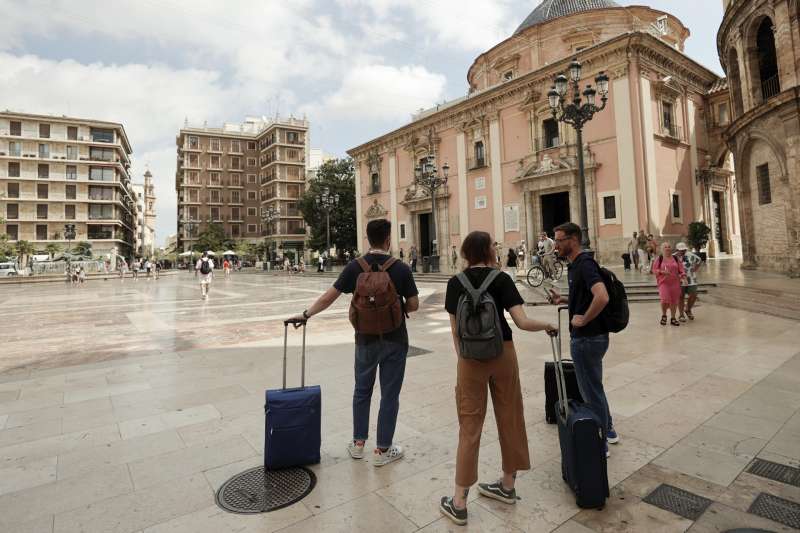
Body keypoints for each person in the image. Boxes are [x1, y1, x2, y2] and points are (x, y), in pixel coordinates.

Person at [439, 231, 556, 526]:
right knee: (510, 416)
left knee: (470, 426)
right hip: (503, 354)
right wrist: (547, 325)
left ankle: (459, 502)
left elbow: (455, 331)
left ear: (466, 253)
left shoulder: (455, 283)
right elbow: (522, 321)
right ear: (489, 252)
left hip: (469, 360)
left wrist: (464, 359)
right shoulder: (501, 280)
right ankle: (507, 485)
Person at [288, 219, 419, 467]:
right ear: (389, 239)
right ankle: (382, 450)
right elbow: (413, 305)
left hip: (364, 340)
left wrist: (306, 315)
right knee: (390, 395)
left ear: (368, 239)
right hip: (395, 339)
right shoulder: (400, 268)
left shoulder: (355, 267)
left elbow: (330, 296)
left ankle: (358, 444)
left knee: (362, 390)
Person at [548, 222, 618, 457]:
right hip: (591, 338)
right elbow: (586, 297)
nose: (555, 245)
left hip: (587, 338)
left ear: (573, 240)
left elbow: (602, 296)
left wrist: (584, 319)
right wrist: (565, 301)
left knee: (590, 391)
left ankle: (600, 443)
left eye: (559, 240)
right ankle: (608, 430)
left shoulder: (584, 264)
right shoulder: (576, 266)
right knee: (594, 387)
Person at [652, 242, 686, 326]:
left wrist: (684, 277)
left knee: (674, 301)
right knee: (664, 299)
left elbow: (681, 269)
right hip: (663, 283)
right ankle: (664, 315)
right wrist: (662, 272)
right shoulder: (659, 259)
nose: (667, 248)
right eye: (665, 247)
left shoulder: (675, 258)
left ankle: (673, 318)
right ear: (662, 249)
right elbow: (654, 270)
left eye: (669, 247)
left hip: (675, 283)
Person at [674, 242, 701, 322]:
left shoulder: (690, 255)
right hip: (679, 279)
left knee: (694, 295)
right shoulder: (673, 257)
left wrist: (695, 269)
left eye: (684, 250)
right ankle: (681, 315)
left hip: (691, 279)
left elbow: (699, 260)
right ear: (677, 250)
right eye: (680, 250)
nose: (682, 251)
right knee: (680, 296)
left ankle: (688, 309)